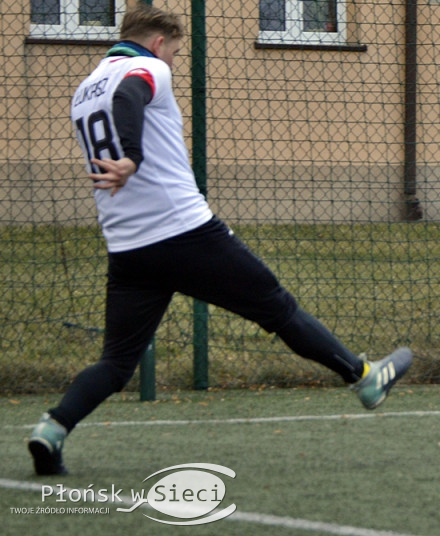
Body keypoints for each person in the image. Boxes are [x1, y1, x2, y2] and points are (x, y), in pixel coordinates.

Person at [28, 4, 413, 476]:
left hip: (129, 249)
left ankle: (51, 429)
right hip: (185, 233)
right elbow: (131, 95)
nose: (172, 63)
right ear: (157, 43)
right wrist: (130, 157)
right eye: (173, 52)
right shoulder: (145, 68)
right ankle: (365, 378)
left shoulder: (84, 89)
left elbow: (121, 101)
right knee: (278, 306)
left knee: (115, 362)